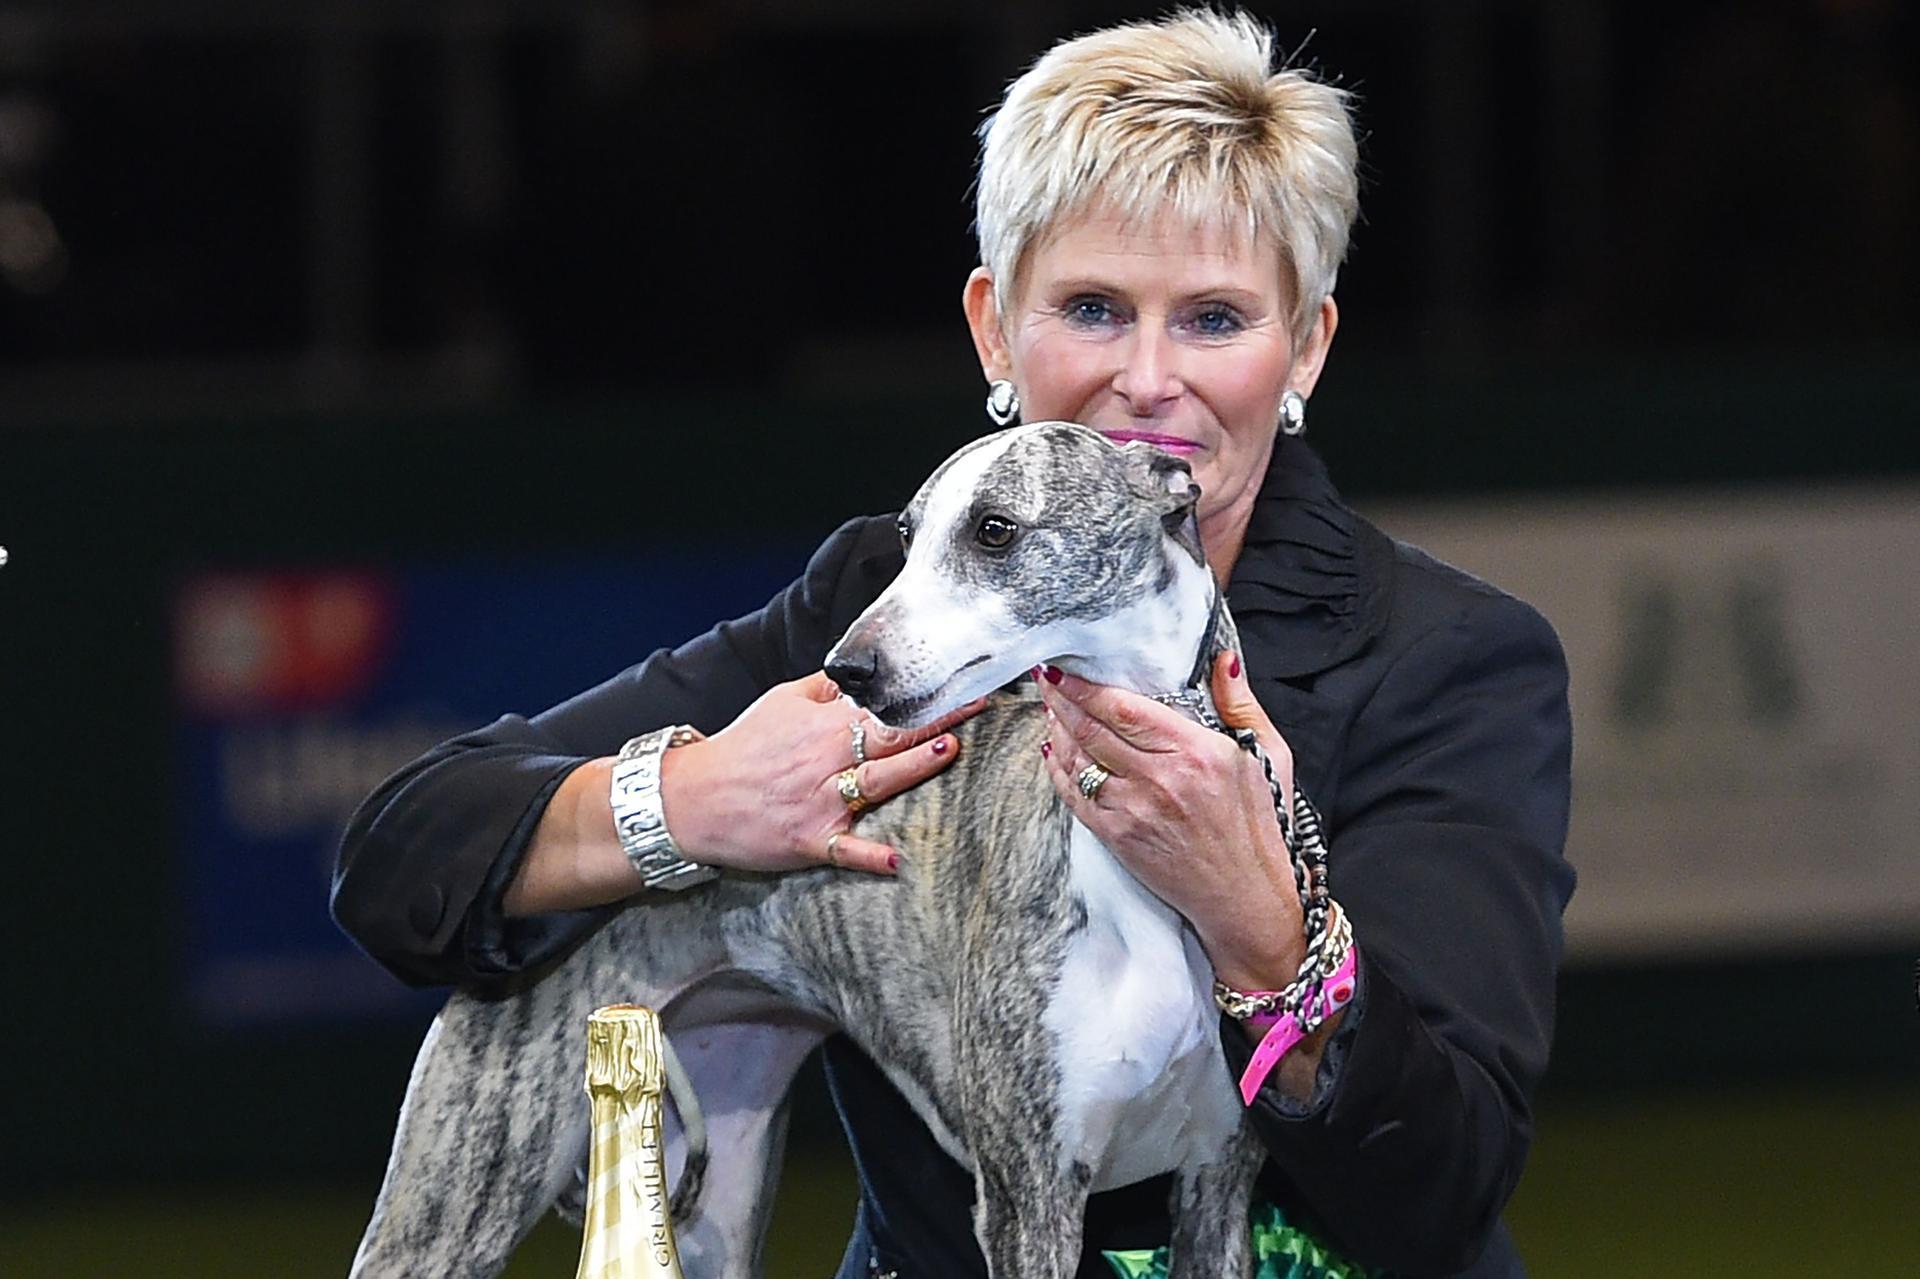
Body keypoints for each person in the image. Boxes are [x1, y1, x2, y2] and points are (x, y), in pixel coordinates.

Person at [331, 11, 1574, 1278]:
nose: (1149, 380)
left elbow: (1447, 1184)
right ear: (993, 329)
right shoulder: (875, 605)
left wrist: (1265, 924)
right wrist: (692, 799)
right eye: (1092, 307)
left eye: (1213, 319)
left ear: (1303, 345)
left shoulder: (1453, 660)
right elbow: (400, 860)